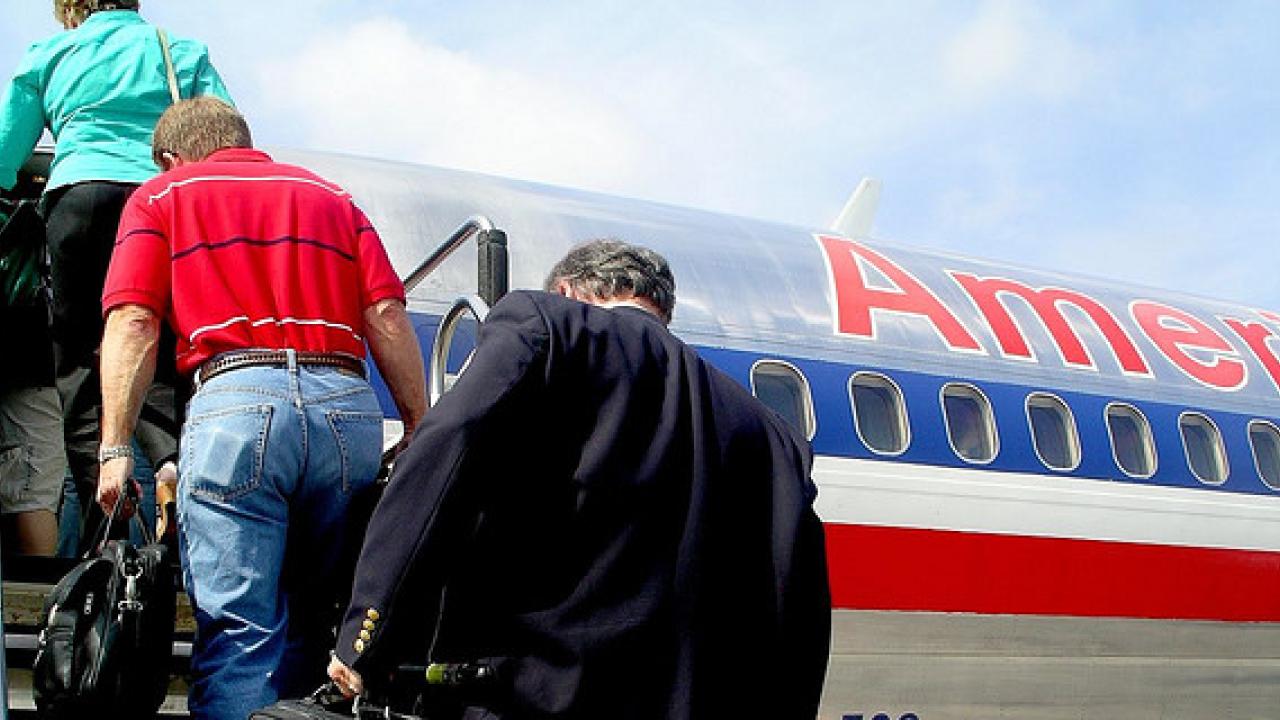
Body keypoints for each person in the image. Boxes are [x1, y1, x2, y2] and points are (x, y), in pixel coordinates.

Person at [328, 240, 831, 719]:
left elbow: (448, 447)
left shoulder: (548, 324)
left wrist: (365, 638)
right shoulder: (773, 435)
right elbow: (802, 614)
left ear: (567, 290)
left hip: (528, 699)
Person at [98, 96, 428, 719]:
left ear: (170, 157)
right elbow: (386, 314)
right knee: (319, 621)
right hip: (346, 409)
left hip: (237, 401)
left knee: (242, 630)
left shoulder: (162, 196)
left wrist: (115, 446)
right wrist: (418, 423)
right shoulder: (333, 198)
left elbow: (135, 321)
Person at [0, 0, 233, 553]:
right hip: (157, 203)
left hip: (79, 201)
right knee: (157, 351)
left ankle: (103, 515)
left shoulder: (51, 52)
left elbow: (6, 154)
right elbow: (225, 141)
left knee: (81, 362)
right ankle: (170, 464)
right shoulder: (180, 51)